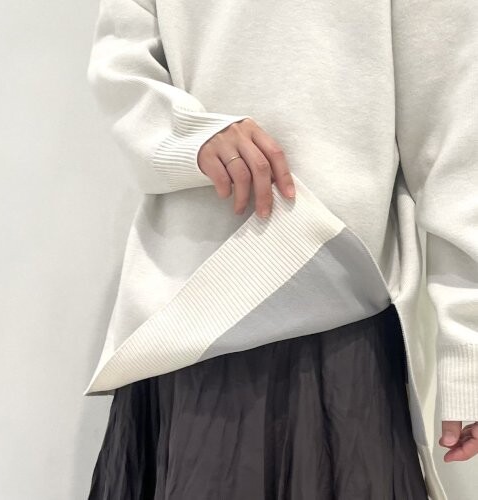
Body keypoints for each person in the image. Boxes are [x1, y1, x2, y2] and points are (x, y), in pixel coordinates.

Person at [83, 0, 478, 498]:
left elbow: (455, 141)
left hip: (339, 318)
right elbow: (121, 64)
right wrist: (191, 135)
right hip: (189, 315)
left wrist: (467, 352)